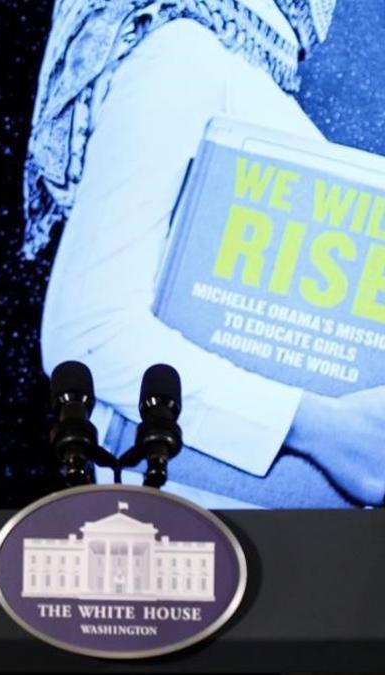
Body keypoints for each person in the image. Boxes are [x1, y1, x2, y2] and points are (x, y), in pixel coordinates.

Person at [25, 0, 385, 508]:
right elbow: (86, 334)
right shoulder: (182, 57)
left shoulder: (237, 77)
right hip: (185, 531)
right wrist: (323, 426)